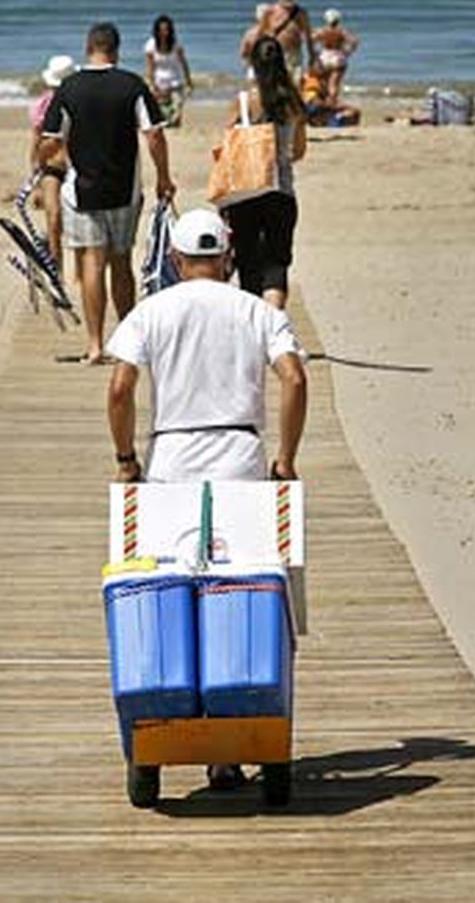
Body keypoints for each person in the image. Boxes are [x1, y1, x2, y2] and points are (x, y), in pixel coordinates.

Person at [104, 207, 308, 789]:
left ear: (173, 258)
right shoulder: (257, 310)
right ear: (228, 256)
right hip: (241, 458)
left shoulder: (152, 311)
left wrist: (126, 459)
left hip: (171, 461)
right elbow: (293, 378)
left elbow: (121, 388)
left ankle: (161, 726)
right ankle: (231, 748)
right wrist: (286, 460)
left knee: (169, 593)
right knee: (247, 592)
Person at [40, 22, 176, 364]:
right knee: (121, 263)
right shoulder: (131, 85)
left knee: (91, 264)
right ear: (116, 49)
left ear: (89, 47)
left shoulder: (69, 88)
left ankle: (96, 345)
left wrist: (51, 164)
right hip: (124, 191)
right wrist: (163, 177)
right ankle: (128, 344)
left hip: (81, 192)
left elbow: (50, 141)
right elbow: (155, 136)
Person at [221, 36, 307, 310]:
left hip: (246, 193)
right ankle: (273, 325)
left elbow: (227, 147)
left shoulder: (243, 102)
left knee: (248, 264)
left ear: (253, 64)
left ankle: (252, 332)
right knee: (276, 264)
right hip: (281, 191)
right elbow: (299, 150)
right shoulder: (293, 102)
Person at [28, 54, 76, 263]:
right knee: (53, 217)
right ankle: (58, 273)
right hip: (51, 168)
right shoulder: (42, 107)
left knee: (74, 223)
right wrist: (35, 183)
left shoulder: (80, 103)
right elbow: (36, 143)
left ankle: (53, 246)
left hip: (77, 168)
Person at [242, 0, 317, 78]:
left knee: (295, 82)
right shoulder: (271, 11)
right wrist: (256, 56)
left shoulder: (300, 13)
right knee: (277, 84)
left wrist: (312, 55)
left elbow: (308, 35)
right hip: (275, 53)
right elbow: (260, 34)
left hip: (294, 53)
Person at [143, 15, 194, 128]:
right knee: (163, 116)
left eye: (166, 29)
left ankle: (177, 126)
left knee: (176, 114)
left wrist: (189, 81)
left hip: (176, 81)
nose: (164, 33)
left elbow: (184, 63)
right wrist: (152, 84)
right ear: (157, 31)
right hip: (159, 82)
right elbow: (150, 67)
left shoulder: (176, 44)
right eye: (161, 30)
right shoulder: (151, 45)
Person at [312, 9, 359, 105]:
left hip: (325, 56)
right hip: (337, 56)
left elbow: (311, 40)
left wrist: (315, 53)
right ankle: (332, 103)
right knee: (334, 84)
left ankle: (325, 102)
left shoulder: (322, 31)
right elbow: (354, 41)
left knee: (324, 82)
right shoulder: (342, 31)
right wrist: (348, 52)